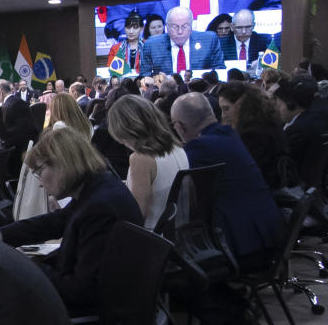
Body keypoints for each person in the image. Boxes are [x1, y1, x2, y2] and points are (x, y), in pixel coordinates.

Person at [0, 127, 144, 313]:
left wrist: (24, 265)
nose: (39, 182)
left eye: (39, 171)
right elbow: (57, 221)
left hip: (94, 315)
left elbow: (81, 291)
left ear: (62, 163)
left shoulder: (99, 207)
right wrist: (1, 234)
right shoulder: (97, 188)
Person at [170, 92, 283, 267]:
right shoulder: (229, 134)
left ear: (180, 127)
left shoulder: (198, 148)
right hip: (270, 230)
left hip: (243, 243)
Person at [107, 95, 189, 229]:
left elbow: (137, 215)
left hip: (150, 238)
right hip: (175, 234)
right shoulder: (178, 148)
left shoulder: (141, 158)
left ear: (125, 130)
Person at [217, 81, 288, 189]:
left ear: (241, 105)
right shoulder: (268, 123)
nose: (223, 116)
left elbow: (243, 174)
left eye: (226, 109)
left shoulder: (252, 135)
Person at [274, 76, 328, 172]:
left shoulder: (298, 130)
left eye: (279, 105)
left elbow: (283, 165)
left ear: (290, 105)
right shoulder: (318, 112)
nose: (277, 109)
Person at [140, 6, 225, 75]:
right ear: (167, 27)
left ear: (191, 26)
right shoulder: (151, 45)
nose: (180, 31)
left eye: (184, 26)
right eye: (175, 26)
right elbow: (145, 76)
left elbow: (219, 71)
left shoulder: (209, 40)